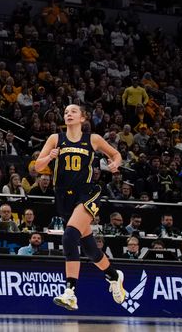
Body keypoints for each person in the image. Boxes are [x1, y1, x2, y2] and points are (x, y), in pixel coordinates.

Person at [35, 104, 126, 311]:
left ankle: (70, 293)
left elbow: (116, 154)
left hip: (86, 193)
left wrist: (115, 164)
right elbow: (37, 167)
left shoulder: (92, 139)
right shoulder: (55, 139)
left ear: (83, 118)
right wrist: (50, 157)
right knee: (91, 250)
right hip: (63, 196)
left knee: (68, 237)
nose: (68, 114)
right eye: (66, 111)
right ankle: (114, 276)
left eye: (73, 111)